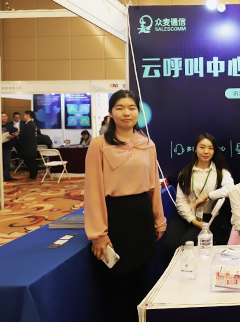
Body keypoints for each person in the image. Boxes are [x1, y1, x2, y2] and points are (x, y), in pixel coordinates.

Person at [84, 90, 166, 322]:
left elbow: (153, 186)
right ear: (110, 113)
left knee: (140, 282)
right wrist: (98, 234)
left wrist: (159, 220)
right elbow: (93, 191)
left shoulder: (147, 144)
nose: (126, 113)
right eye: (120, 108)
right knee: (117, 285)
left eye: (131, 108)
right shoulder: (99, 144)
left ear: (138, 112)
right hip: (115, 217)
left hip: (141, 216)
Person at [163, 133, 234, 261]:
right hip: (185, 216)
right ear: (195, 149)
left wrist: (207, 196)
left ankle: (189, 270)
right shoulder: (185, 173)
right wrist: (194, 221)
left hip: (207, 219)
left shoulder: (221, 172)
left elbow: (230, 189)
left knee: (186, 245)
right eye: (202, 147)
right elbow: (181, 201)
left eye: (210, 148)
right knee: (170, 246)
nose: (206, 151)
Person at [18, 110, 38, 179]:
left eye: (24, 115)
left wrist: (19, 135)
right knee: (31, 161)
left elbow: (27, 135)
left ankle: (33, 175)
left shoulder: (29, 125)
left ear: (28, 115)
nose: (23, 116)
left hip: (29, 146)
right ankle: (33, 174)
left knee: (30, 161)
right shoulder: (33, 124)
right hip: (32, 145)